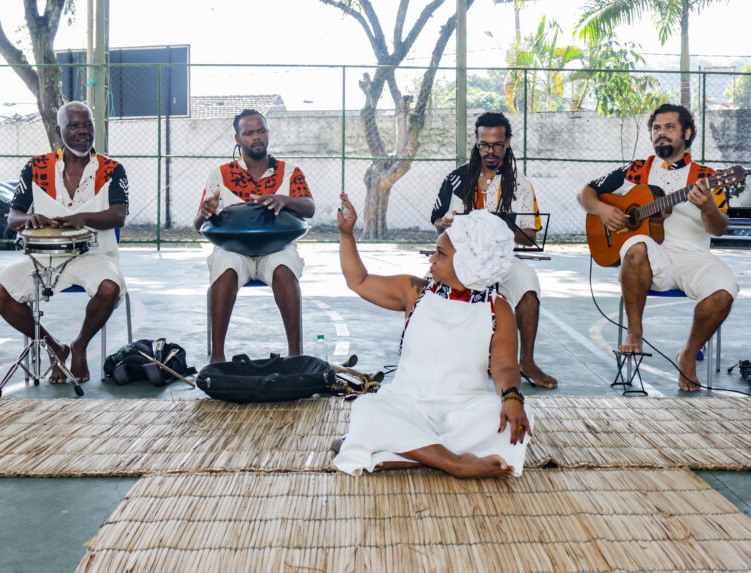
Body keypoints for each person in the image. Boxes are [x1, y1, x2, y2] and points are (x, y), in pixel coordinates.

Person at [334, 193, 533, 479]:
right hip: (406, 404)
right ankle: (455, 463)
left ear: (470, 261)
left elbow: (504, 366)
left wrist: (512, 397)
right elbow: (359, 281)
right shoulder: (415, 291)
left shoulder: (497, 307)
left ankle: (409, 453)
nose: (432, 259)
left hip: (464, 409)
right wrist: (346, 234)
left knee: (513, 417)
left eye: (440, 254)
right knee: (368, 408)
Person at [577, 103, 737, 392]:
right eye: (656, 128)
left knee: (724, 292)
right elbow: (586, 192)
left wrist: (709, 208)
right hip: (651, 255)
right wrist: (602, 210)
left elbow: (720, 229)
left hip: (693, 256)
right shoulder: (636, 170)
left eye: (669, 127)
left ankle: (688, 353)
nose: (661, 133)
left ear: (687, 133)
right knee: (637, 243)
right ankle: (635, 332)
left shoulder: (708, 176)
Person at [0, 101, 129, 384]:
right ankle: (55, 348)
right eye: (74, 125)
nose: (82, 131)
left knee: (109, 288)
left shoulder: (112, 169)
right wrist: (29, 219)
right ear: (58, 130)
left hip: (94, 255)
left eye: (87, 125)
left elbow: (118, 215)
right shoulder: (36, 167)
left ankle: (79, 345)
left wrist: (81, 217)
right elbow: (12, 216)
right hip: (44, 259)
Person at [430, 112, 556, 389]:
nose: (490, 151)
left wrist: (495, 226)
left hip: (501, 259)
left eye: (497, 145)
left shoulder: (520, 183)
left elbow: (530, 234)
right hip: (462, 260)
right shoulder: (457, 179)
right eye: (484, 144)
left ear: (507, 143)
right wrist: (447, 223)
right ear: (476, 142)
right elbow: (438, 223)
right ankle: (452, 359)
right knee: (434, 282)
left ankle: (528, 361)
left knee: (528, 281)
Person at [194, 109, 315, 363]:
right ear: (238, 139)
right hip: (234, 249)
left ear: (267, 134)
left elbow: (309, 207)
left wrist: (283, 198)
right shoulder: (220, 174)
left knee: (284, 267)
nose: (256, 137)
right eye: (249, 133)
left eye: (261, 131)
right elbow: (198, 223)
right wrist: (207, 212)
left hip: (277, 247)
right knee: (225, 265)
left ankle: (295, 356)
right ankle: (218, 359)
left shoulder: (289, 171)